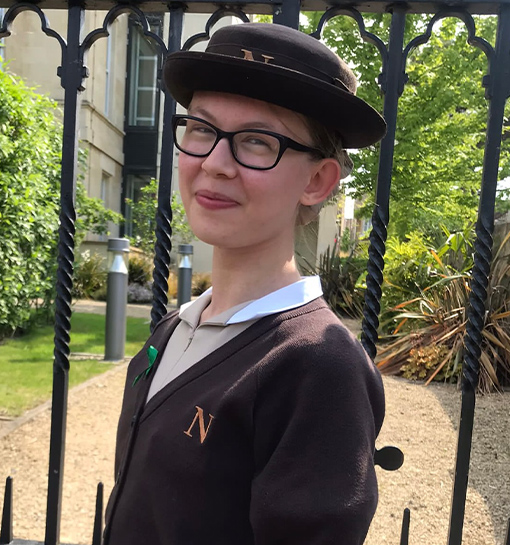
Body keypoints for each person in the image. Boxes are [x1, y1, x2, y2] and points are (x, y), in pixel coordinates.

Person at [104, 22, 386, 545]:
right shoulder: (173, 329)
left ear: (317, 181)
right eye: (202, 130)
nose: (214, 163)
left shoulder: (317, 369)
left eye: (257, 142)